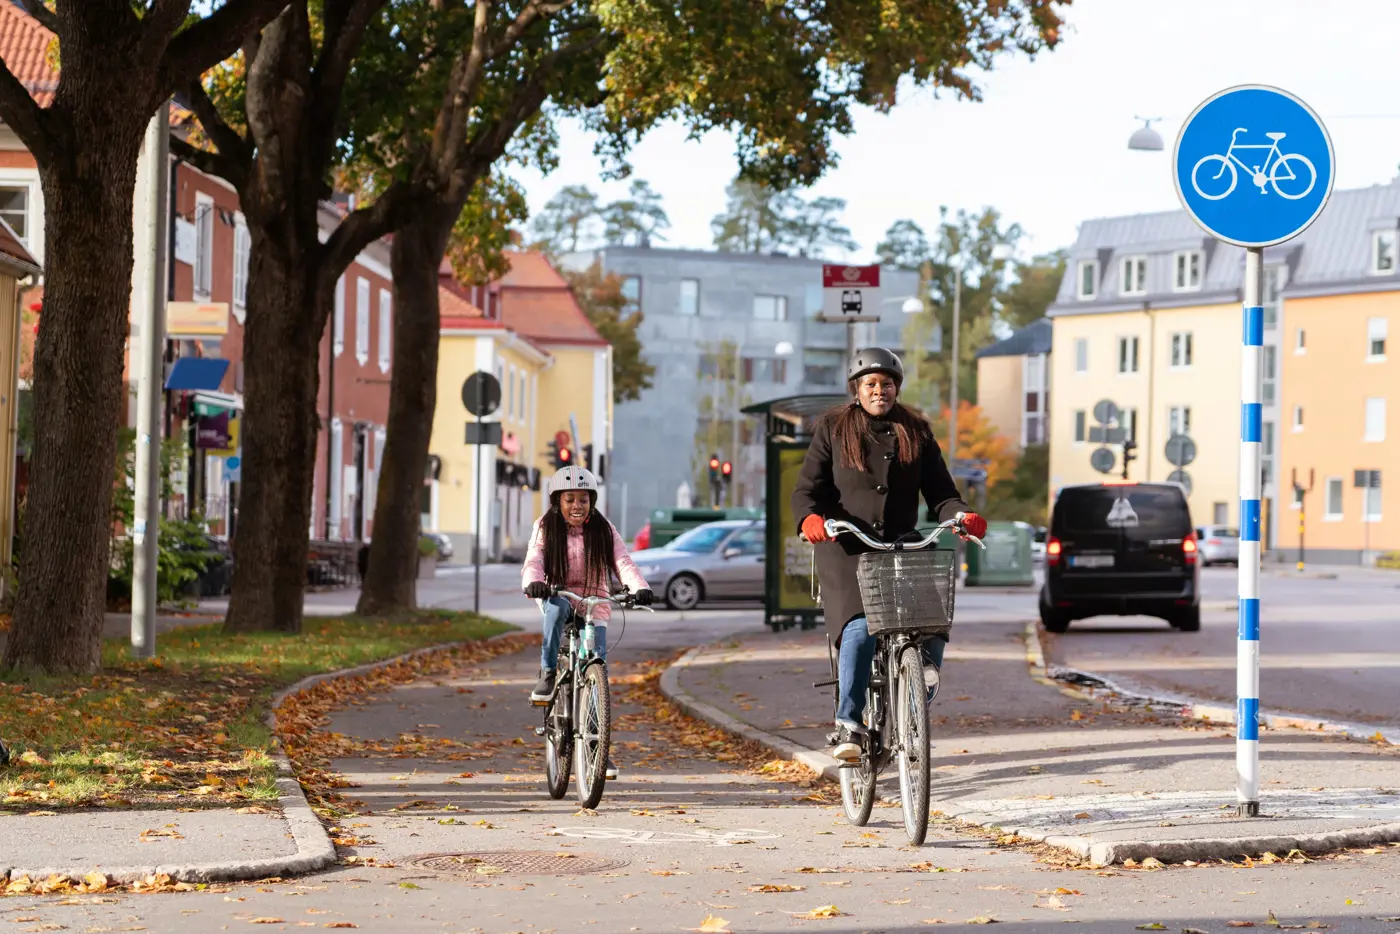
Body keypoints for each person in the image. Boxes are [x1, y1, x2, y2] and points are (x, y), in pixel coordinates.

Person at [792, 347, 987, 762]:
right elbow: (807, 489)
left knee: (931, 628)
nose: (879, 390)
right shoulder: (833, 427)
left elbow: (941, 494)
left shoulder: (915, 429)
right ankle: (849, 724)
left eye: (887, 383)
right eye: (870, 384)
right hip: (846, 548)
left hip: (903, 546)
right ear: (857, 389)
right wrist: (810, 520)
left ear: (897, 388)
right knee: (861, 630)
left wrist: (962, 516)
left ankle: (915, 690)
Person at [522, 465, 653, 778]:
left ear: (591, 502)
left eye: (583, 499)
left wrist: (639, 588)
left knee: (596, 669)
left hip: (595, 601)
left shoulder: (603, 528)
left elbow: (622, 560)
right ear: (558, 501)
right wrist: (534, 582)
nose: (576, 506)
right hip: (558, 592)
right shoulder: (546, 526)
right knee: (554, 612)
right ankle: (549, 672)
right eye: (570, 499)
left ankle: (597, 747)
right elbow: (535, 559)